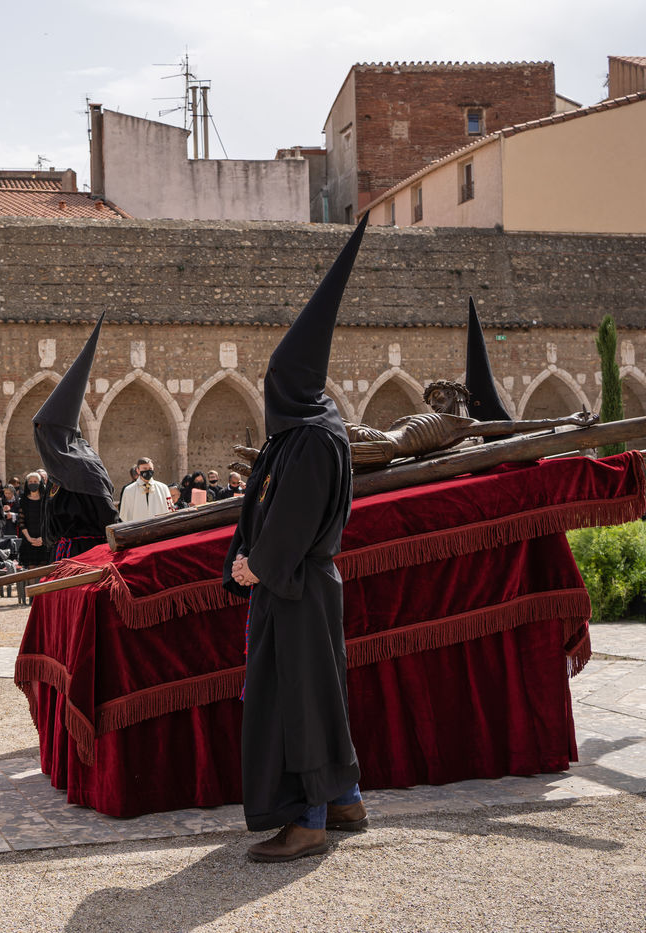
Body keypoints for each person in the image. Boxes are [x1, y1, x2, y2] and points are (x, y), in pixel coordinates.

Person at [223, 214, 370, 863]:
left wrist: (260, 564)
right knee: (314, 697)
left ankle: (308, 821)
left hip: (298, 588)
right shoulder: (297, 436)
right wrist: (243, 556)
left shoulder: (313, 438)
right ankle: (345, 801)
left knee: (301, 703)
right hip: (292, 587)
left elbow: (294, 518)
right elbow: (260, 506)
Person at [33, 312, 119, 558]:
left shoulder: (85, 466)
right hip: (64, 551)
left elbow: (106, 513)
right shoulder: (57, 473)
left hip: (89, 552)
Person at [118, 457, 174, 523]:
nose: (148, 471)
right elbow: (125, 515)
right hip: (138, 527)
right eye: (144, 469)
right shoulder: (129, 490)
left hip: (159, 526)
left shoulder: (163, 488)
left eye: (150, 469)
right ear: (138, 470)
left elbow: (170, 511)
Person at [17, 471, 50, 567]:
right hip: (28, 540)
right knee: (31, 569)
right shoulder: (23, 500)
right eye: (30, 481)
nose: (33, 483)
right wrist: (29, 538)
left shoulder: (46, 500)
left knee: (43, 569)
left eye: (35, 481)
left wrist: (42, 538)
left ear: (40, 483)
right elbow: (21, 521)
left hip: (44, 540)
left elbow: (49, 520)